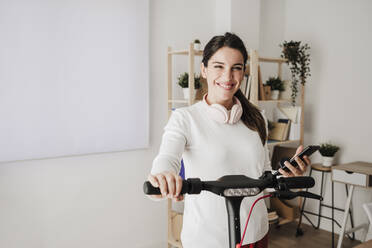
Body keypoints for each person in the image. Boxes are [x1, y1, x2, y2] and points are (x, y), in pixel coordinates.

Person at [147, 32, 311, 248]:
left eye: (237, 67)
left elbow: (263, 174)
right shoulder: (185, 118)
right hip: (207, 240)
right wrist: (164, 176)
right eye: (219, 66)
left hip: (256, 232)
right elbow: (167, 158)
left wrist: (286, 175)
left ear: (244, 72)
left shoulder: (256, 117)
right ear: (204, 70)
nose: (228, 76)